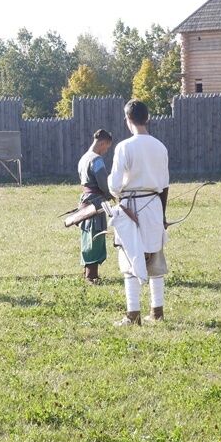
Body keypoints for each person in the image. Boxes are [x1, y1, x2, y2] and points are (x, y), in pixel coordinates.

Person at [108, 100, 170, 326]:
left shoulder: (124, 147)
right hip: (154, 207)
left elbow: (114, 185)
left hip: (131, 207)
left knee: (129, 258)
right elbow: (164, 185)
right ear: (148, 118)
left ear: (127, 120)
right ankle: (157, 311)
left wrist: (119, 191)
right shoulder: (160, 146)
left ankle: (133, 314)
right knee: (154, 259)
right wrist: (162, 216)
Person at [77, 129, 114, 285]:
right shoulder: (97, 160)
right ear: (103, 143)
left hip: (85, 201)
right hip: (96, 202)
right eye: (107, 147)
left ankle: (88, 272)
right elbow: (104, 184)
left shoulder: (83, 158)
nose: (106, 151)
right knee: (95, 235)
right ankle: (91, 276)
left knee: (87, 235)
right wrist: (112, 194)